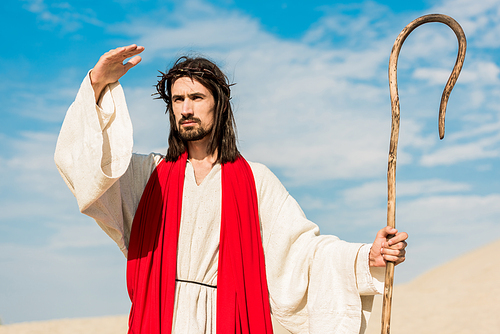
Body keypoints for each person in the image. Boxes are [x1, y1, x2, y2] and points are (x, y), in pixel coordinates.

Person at [54, 44, 408, 334]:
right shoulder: (149, 175)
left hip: (229, 321)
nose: (186, 109)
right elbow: (88, 168)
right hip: (160, 319)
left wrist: (366, 258)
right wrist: (96, 85)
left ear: (218, 104)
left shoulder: (256, 180)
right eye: (177, 100)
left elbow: (302, 253)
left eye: (196, 97)